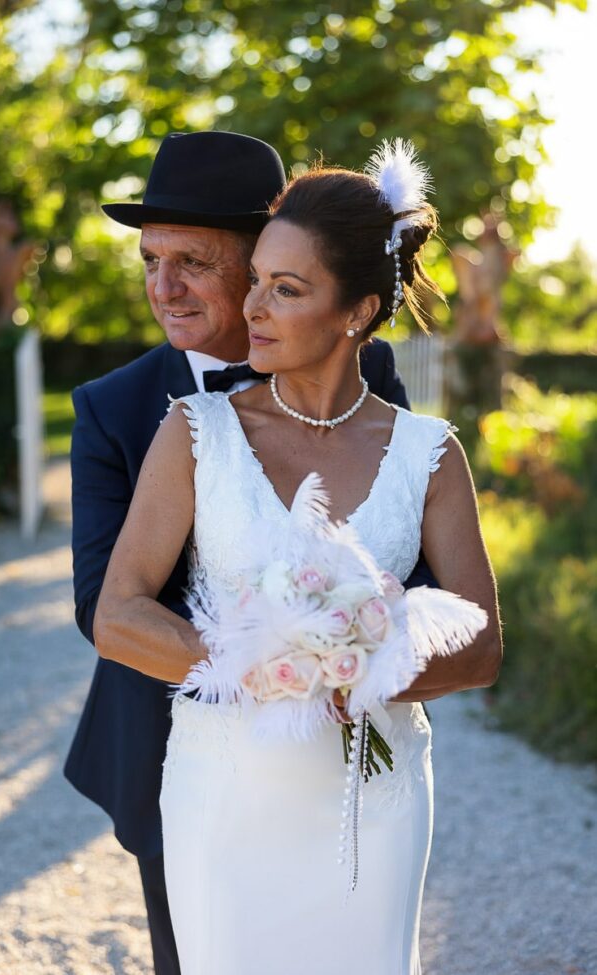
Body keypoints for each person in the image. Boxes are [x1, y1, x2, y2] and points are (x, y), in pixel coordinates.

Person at [93, 146, 502, 974]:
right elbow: (116, 614)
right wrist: (267, 665)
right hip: (227, 790)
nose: (255, 308)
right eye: (257, 282)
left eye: (287, 287)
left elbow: (482, 642)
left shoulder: (428, 453)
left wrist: (363, 666)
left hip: (373, 799)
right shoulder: (194, 431)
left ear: (356, 311)